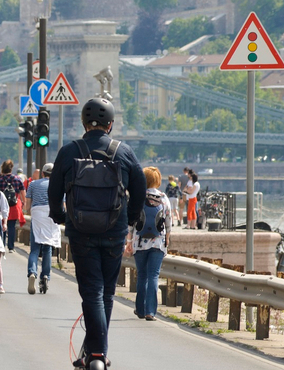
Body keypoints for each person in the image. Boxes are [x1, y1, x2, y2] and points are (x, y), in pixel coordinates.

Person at [48, 98, 145, 368]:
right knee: (106, 294)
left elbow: (53, 191)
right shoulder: (123, 151)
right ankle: (98, 351)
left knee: (91, 292)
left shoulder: (69, 151)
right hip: (114, 231)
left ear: (83, 123)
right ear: (110, 125)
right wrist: (130, 220)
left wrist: (62, 218)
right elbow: (139, 189)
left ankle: (96, 353)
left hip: (81, 232)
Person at [128, 166, 171, 321]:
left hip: (140, 242)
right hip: (158, 242)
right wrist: (167, 238)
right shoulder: (164, 198)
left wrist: (128, 241)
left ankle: (140, 309)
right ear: (158, 180)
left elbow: (131, 221)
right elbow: (168, 220)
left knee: (142, 275)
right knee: (154, 275)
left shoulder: (138, 196)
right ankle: (150, 312)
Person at [26, 163, 61, 294]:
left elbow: (27, 206)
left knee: (34, 249)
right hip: (51, 215)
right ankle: (45, 276)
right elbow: (62, 205)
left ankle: (32, 272)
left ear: (42, 173)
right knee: (48, 248)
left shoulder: (33, 184)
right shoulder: (58, 185)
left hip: (37, 215)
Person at [0, 160, 26, 253]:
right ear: (11, 168)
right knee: (12, 226)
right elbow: (23, 192)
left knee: (2, 225)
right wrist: (23, 202)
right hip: (14, 205)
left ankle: (2, 244)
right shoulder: (17, 179)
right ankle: (11, 247)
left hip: (1, 205)